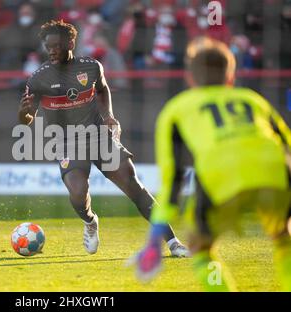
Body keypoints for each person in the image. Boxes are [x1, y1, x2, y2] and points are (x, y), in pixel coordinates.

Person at [17, 19, 189, 257]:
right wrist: (22, 112)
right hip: (67, 142)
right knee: (78, 192)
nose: (52, 51)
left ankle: (173, 243)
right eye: (48, 46)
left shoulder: (91, 67)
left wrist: (108, 115)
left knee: (134, 186)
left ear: (71, 43)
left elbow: (103, 89)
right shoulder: (39, 78)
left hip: (98, 136)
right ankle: (90, 222)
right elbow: (26, 119)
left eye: (56, 45)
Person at [131, 37, 291, 291]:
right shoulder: (252, 99)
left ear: (189, 78)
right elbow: (286, 143)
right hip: (276, 172)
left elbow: (174, 179)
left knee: (200, 246)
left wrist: (153, 242)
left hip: (222, 176)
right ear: (231, 76)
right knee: (284, 237)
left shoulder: (176, 109)